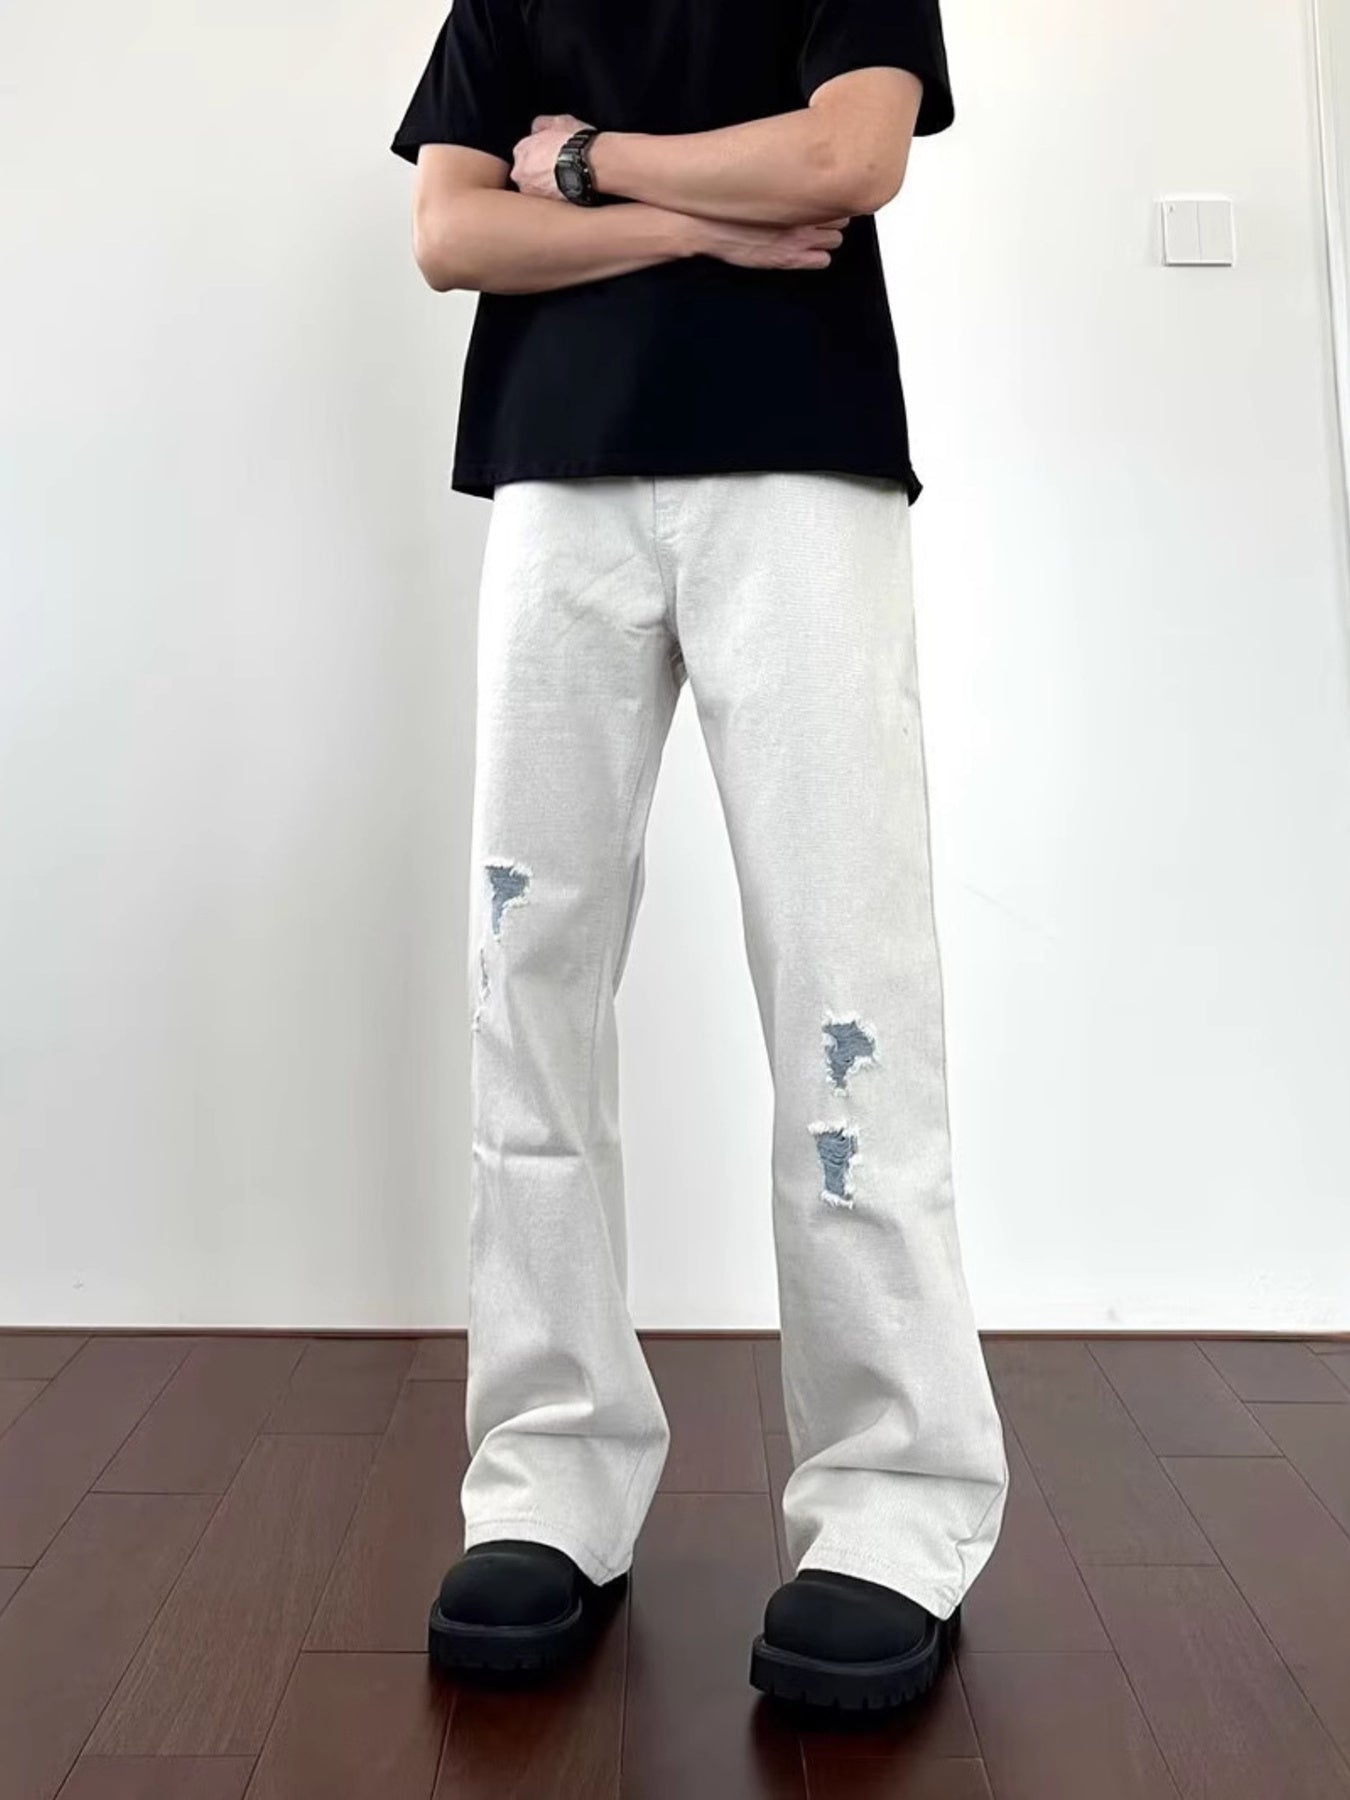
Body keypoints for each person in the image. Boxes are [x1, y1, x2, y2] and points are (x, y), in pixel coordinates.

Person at [390, 0, 1008, 1717]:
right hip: (555, 476)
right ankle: (549, 1479)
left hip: (797, 473)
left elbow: (846, 157)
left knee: (844, 975)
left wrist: (588, 167)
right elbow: (451, 232)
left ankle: (895, 1502)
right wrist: (699, 220)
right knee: (527, 975)